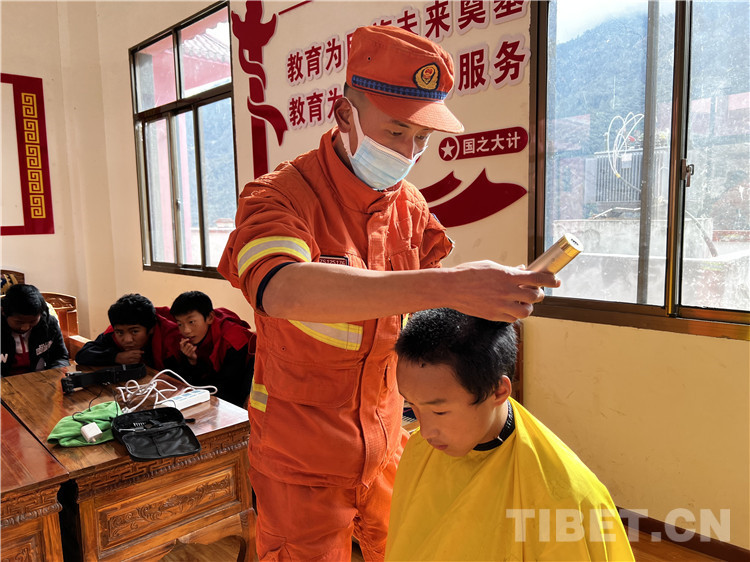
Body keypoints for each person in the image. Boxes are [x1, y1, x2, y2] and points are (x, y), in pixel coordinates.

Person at [218, 25, 558, 560]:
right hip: (299, 461)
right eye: (397, 131)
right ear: (344, 114)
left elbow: (429, 311)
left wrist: (490, 301)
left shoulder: (410, 207)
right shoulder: (280, 196)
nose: (409, 152)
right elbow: (280, 287)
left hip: (390, 444)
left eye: (422, 139)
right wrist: (452, 284)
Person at [387, 308, 634, 560]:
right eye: (411, 405)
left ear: (498, 392)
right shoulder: (419, 449)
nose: (425, 432)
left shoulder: (565, 498)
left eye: (439, 412)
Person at [169, 291, 256, 407]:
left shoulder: (233, 338)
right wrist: (192, 362)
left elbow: (229, 387)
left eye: (191, 322)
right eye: (180, 324)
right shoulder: (190, 340)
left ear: (210, 318)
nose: (186, 330)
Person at [76, 293, 180, 370]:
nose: (127, 340)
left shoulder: (172, 336)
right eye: (120, 332)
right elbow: (82, 354)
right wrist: (116, 357)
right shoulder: (113, 332)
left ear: (151, 329)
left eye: (134, 331)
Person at [1, 283, 69, 376]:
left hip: (40, 379)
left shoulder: (49, 324)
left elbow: (60, 356)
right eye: (19, 322)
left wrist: (55, 373)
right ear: (3, 312)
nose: (25, 327)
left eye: (32, 321)